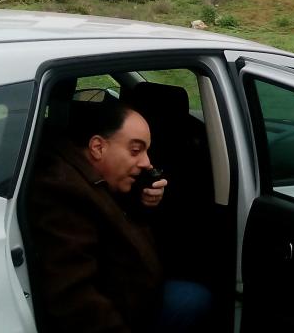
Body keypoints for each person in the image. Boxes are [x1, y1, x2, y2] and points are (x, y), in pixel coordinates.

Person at [28, 100, 210, 333]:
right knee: (194, 299)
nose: (147, 163)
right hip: (119, 315)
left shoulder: (88, 176)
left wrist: (143, 202)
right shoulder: (62, 192)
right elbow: (75, 300)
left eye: (146, 151)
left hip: (131, 297)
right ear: (98, 147)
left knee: (194, 297)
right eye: (135, 150)